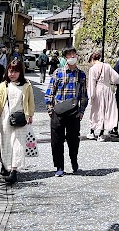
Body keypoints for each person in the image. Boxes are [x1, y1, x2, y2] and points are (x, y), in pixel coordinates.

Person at [44, 46, 88, 177]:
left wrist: (81, 111)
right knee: (56, 141)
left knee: (73, 139)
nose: (72, 57)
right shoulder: (58, 72)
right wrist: (50, 109)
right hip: (58, 111)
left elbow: (84, 95)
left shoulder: (81, 75)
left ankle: (74, 161)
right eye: (69, 55)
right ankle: (59, 166)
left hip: (74, 113)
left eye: (73, 54)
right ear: (65, 58)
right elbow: (50, 92)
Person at [0, 58, 34, 185]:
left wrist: (30, 115)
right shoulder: (3, 85)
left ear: (20, 72)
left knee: (18, 144)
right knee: (6, 143)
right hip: (4, 118)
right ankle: (6, 165)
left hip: (21, 118)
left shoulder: (27, 85)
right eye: (10, 71)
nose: (12, 74)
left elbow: (30, 102)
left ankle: (14, 171)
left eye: (15, 71)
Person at [87, 51, 119, 141]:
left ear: (92, 59)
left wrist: (91, 96)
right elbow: (116, 78)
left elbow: (91, 83)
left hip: (98, 90)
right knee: (106, 111)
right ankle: (101, 134)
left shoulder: (93, 69)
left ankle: (92, 132)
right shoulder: (107, 66)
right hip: (107, 90)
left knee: (95, 111)